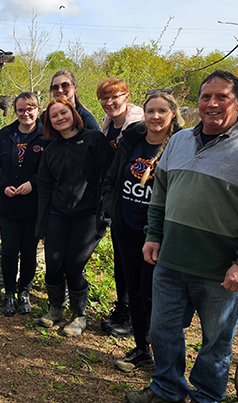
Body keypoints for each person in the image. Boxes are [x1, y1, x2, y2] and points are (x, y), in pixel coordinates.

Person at [125, 71, 238, 403]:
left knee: (215, 340)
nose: (212, 104)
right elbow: (161, 193)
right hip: (170, 260)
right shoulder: (178, 141)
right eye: (205, 97)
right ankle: (166, 388)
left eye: (221, 97)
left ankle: (207, 400)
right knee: (162, 329)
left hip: (219, 269)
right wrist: (153, 235)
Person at [101, 91, 183, 371]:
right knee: (134, 291)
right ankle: (141, 348)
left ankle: (163, 354)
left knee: (156, 294)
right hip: (127, 227)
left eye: (162, 111)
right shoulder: (133, 140)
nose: (155, 117)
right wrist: (111, 207)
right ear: (143, 113)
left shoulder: (180, 146)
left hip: (159, 233)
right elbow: (112, 175)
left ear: (173, 114)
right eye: (151, 111)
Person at [35, 99, 112, 337]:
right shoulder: (51, 150)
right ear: (49, 122)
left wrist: (105, 214)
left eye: (63, 112)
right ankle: (56, 309)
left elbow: (107, 178)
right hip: (58, 213)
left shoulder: (94, 140)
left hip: (88, 215)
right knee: (54, 264)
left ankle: (79, 315)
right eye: (54, 116)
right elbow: (44, 188)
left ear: (73, 113)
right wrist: (42, 225)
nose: (59, 118)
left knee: (73, 265)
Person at [0, 92, 47, 316]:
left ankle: (24, 293)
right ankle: (9, 292)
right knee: (9, 250)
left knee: (29, 252)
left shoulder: (46, 136)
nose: (25, 114)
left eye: (30, 109)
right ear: (16, 112)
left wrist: (34, 183)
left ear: (38, 109)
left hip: (33, 206)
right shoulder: (5, 135)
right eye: (21, 110)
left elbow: (52, 169)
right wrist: (2, 185)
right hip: (8, 204)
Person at [96, 78, 144, 338]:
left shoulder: (138, 126)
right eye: (104, 98)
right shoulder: (109, 125)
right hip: (117, 203)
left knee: (136, 263)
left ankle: (136, 317)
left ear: (127, 96)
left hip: (136, 202)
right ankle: (122, 308)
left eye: (115, 97)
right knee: (121, 261)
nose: (109, 102)